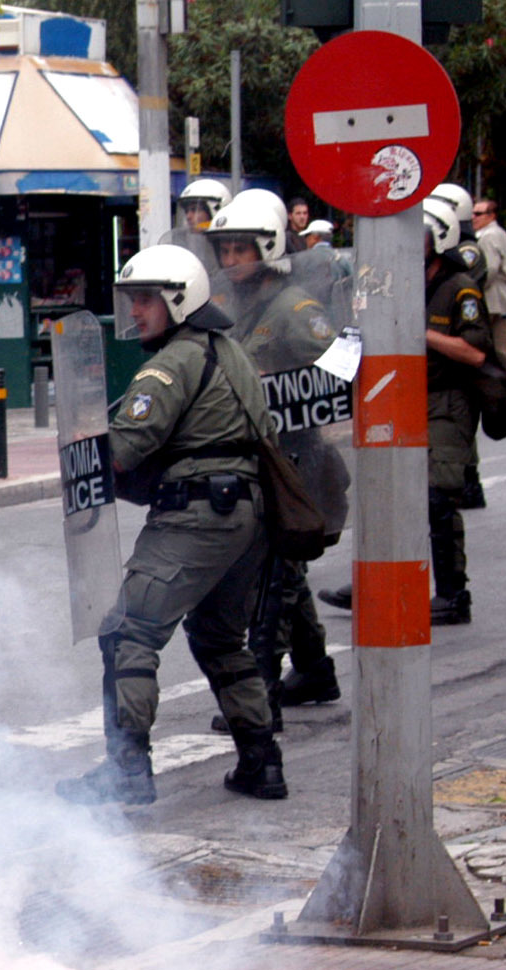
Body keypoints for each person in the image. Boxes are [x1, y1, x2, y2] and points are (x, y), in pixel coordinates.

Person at [57, 244, 283, 807]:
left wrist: (85, 441)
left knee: (127, 630)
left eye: (145, 301)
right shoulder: (228, 351)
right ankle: (262, 762)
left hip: (197, 515)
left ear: (180, 301)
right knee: (220, 636)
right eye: (132, 300)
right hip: (248, 516)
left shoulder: (170, 364)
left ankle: (127, 772)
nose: (135, 312)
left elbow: (123, 453)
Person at [204, 190, 347, 724]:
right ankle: (314, 669)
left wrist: (284, 385)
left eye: (241, 249)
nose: (230, 259)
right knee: (282, 565)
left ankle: (261, 693)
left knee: (273, 574)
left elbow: (345, 368)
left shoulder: (295, 308)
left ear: (267, 247)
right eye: (224, 249)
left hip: (297, 458)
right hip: (255, 456)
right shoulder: (233, 306)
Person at [418, 196, 493, 626]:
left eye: (421, 235)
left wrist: (423, 333)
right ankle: (383, 580)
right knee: (392, 497)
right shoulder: (402, 279)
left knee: (437, 496)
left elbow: (474, 351)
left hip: (447, 403)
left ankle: (452, 594)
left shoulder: (459, 287)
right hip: (405, 398)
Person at [474, 196, 506, 365]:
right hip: (501, 299)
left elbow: (490, 269)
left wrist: (476, 290)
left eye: (478, 213)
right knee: (500, 349)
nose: (473, 217)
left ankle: (500, 387)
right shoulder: (498, 234)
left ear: (491, 216)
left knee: (496, 351)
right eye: (472, 213)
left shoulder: (489, 236)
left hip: (492, 300)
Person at [162, 178, 231, 265]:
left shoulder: (230, 245)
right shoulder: (191, 243)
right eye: (186, 211)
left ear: (216, 209)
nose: (188, 216)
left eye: (195, 209)